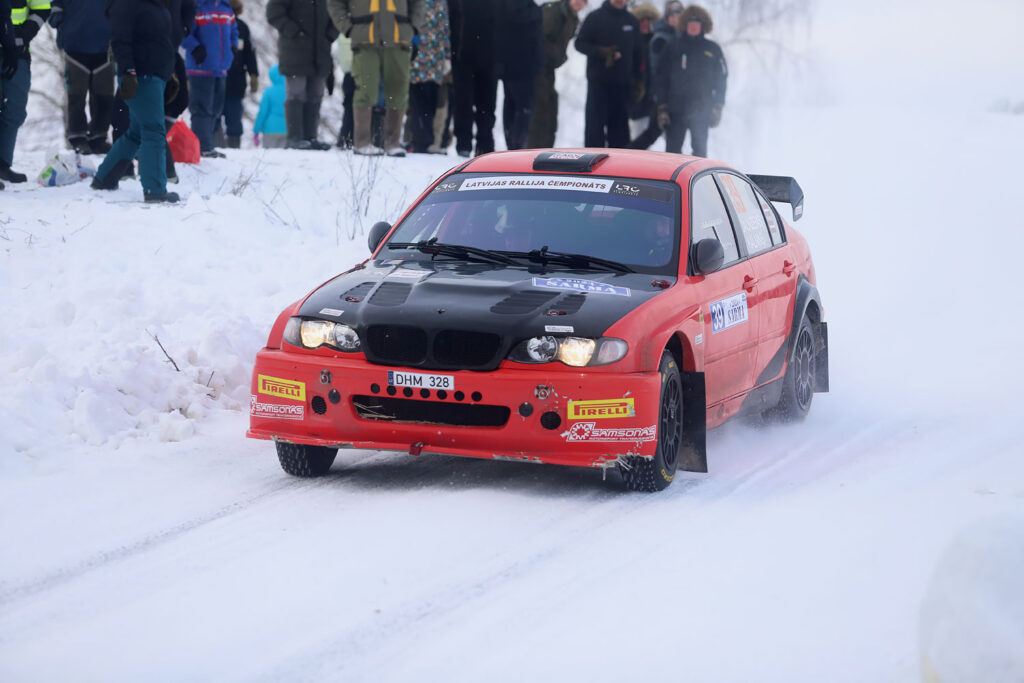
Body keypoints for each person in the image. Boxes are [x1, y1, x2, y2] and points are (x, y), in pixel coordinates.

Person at [92, 0, 179, 203]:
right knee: (153, 130)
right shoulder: (126, 4)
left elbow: (161, 41)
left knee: (137, 132)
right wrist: (128, 72)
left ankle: (104, 178)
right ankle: (155, 190)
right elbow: (120, 40)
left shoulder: (155, 5)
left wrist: (170, 73)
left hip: (155, 75)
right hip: (141, 76)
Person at [327, 0, 423, 157]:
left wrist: (412, 27)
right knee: (366, 89)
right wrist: (348, 28)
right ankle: (362, 143)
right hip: (365, 40)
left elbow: (418, 3)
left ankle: (393, 143)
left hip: (399, 38)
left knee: (398, 89)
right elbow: (335, 3)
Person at [655, 4, 726, 157]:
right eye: (690, 23)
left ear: (703, 26)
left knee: (700, 153)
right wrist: (662, 107)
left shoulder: (712, 49)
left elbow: (721, 79)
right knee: (672, 154)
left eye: (697, 24)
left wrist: (718, 106)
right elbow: (661, 78)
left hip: (702, 110)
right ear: (685, 24)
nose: (693, 27)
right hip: (675, 111)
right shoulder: (672, 46)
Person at [574, 0, 644, 149]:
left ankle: (618, 163)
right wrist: (601, 52)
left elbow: (638, 54)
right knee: (594, 130)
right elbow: (579, 43)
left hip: (622, 86)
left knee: (620, 135)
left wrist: (639, 80)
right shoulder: (595, 17)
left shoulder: (631, 21)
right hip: (598, 84)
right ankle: (591, 162)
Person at [268, 0, 337, 150]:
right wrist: (293, 31)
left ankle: (310, 137)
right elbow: (273, 12)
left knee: (316, 94)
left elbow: (337, 13)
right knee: (296, 94)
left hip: (320, 52)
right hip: (294, 51)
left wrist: (330, 35)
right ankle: (294, 138)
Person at [48, 0, 113, 154]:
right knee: (76, 97)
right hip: (75, 45)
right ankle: (78, 138)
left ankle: (98, 137)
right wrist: (61, 23)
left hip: (106, 47)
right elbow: (55, 8)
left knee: (105, 97)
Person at [0, 0, 50, 185]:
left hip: (17, 51)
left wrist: (22, 35)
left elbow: (42, 8)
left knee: (16, 108)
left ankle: (3, 164)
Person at [525, 0, 585, 150]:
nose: (580, 2)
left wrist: (558, 58)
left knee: (551, 110)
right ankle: (533, 151)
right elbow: (537, 38)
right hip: (535, 66)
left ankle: (546, 150)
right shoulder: (554, 11)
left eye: (584, 1)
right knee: (540, 110)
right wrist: (558, 56)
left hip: (548, 67)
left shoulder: (572, 17)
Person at [183, 0, 237, 158]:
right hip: (200, 67)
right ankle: (202, 147)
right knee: (201, 108)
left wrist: (233, 47)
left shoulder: (225, 7)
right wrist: (195, 48)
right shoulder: (196, 6)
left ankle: (207, 144)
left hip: (221, 68)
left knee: (216, 108)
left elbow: (234, 30)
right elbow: (183, 32)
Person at [448, 0, 496, 157]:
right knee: (463, 102)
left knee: (487, 103)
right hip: (461, 55)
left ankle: (485, 143)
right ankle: (463, 143)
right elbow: (450, 20)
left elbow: (501, 22)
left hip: (489, 55)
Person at [495, 0, 542, 151]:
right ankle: (517, 143)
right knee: (525, 106)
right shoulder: (532, 10)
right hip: (525, 64)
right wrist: (539, 62)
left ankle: (512, 140)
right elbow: (536, 39)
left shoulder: (501, 6)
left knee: (511, 103)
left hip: (507, 63)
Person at [407, 0, 450, 154]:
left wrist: (447, 55)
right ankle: (419, 141)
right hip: (416, 59)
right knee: (418, 103)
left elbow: (445, 29)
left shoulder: (441, 3)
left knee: (431, 103)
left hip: (435, 60)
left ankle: (428, 140)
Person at [215, 0, 258, 149]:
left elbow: (249, 53)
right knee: (215, 118)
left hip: (235, 82)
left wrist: (254, 74)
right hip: (216, 77)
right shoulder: (214, 23)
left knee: (232, 119)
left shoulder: (242, 27)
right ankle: (214, 147)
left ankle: (233, 149)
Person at [626, 2, 660, 150]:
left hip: (653, 99)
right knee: (637, 136)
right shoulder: (630, 42)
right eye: (642, 21)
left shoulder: (657, 42)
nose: (645, 24)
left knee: (651, 135)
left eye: (648, 21)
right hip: (635, 100)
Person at [253, 63, 287, 148]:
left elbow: (262, 113)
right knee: (285, 155)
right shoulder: (290, 92)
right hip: (287, 128)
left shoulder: (268, 92)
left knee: (269, 154)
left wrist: (256, 131)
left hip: (270, 129)